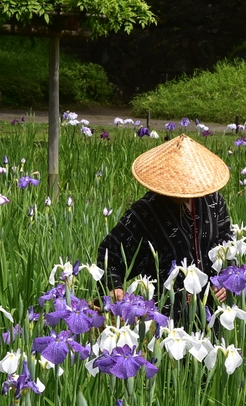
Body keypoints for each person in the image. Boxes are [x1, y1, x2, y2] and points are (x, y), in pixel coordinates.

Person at [97, 134, 232, 318]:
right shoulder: (146, 210)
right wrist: (115, 287)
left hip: (212, 310)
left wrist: (224, 280)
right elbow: (110, 252)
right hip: (164, 314)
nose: (182, 190)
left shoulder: (213, 201)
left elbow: (227, 242)